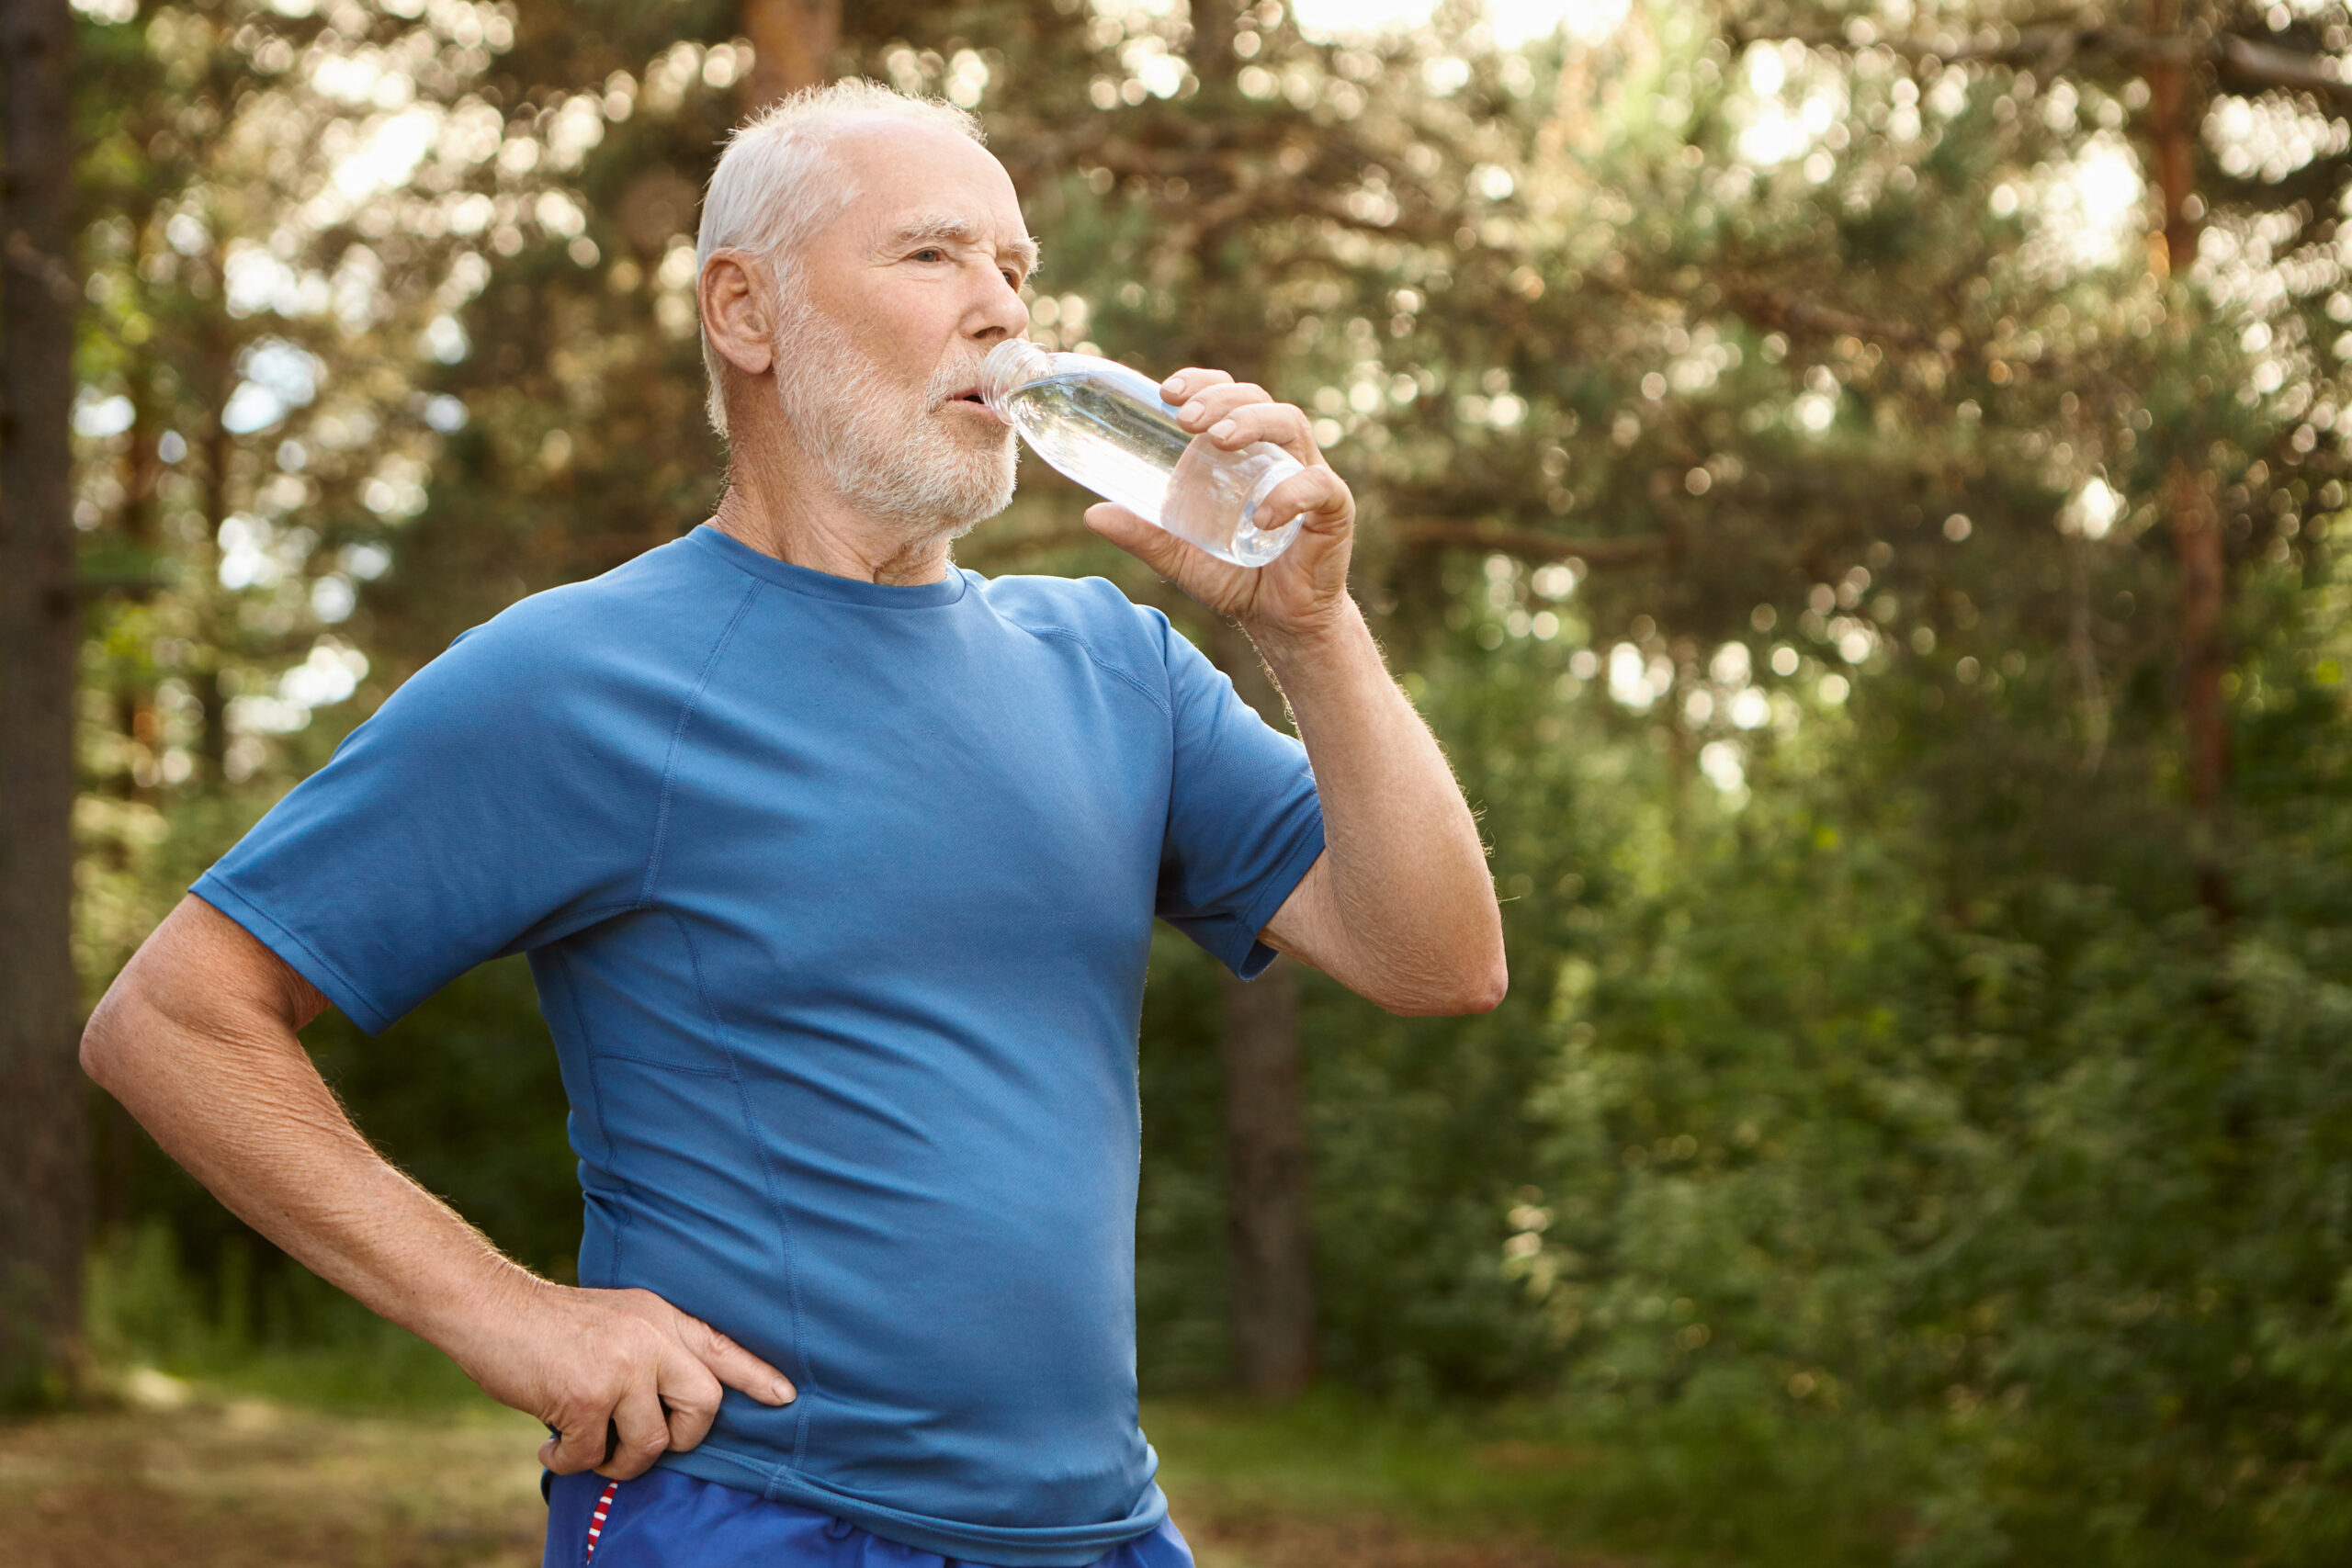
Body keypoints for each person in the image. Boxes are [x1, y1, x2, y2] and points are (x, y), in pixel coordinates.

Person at [79, 81, 1505, 1568]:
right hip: (755, 1518)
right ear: (745, 313)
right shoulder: (582, 675)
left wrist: (1316, 632)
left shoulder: (1113, 664)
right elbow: (174, 1020)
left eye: (1017, 272)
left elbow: (1435, 956)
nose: (1001, 314)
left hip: (1100, 1531)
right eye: (934, 256)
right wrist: (503, 1313)